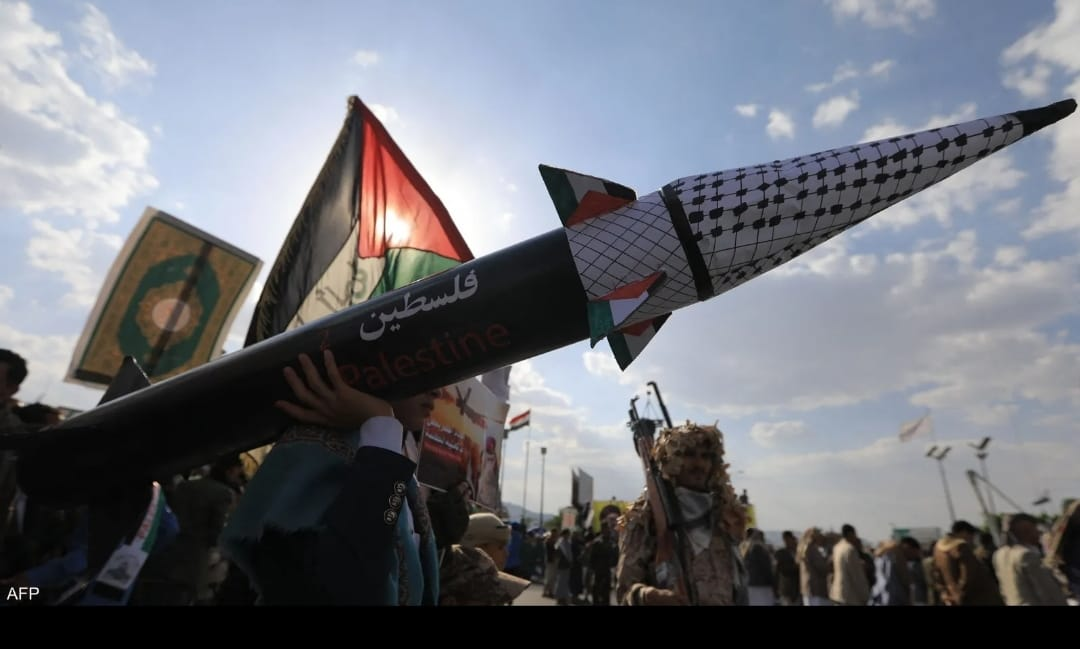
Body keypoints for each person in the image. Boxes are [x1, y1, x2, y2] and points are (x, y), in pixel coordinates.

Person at [220, 349, 439, 605]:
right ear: (371, 367)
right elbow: (347, 577)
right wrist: (381, 426)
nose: (436, 391)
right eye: (422, 365)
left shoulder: (394, 466)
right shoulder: (310, 459)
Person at [615, 422, 747, 606]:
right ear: (670, 460)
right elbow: (625, 592)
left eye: (705, 456)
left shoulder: (723, 516)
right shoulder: (645, 517)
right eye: (689, 455)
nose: (699, 464)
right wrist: (647, 596)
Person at [932, 520, 1004, 606]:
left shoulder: (938, 548)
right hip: (976, 597)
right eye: (971, 535)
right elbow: (968, 573)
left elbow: (936, 574)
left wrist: (945, 593)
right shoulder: (961, 546)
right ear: (964, 532)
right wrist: (961, 592)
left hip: (952, 595)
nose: (972, 539)